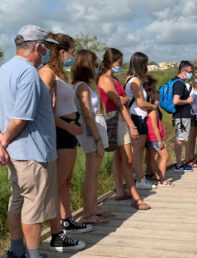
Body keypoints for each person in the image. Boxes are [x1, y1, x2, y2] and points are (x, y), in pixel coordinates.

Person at [0, 24, 71, 258]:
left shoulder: (1, 71)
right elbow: (21, 117)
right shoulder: (29, 74)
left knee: (18, 201)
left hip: (13, 153)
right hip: (33, 152)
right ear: (38, 47)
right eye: (45, 47)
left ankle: (16, 255)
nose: (46, 52)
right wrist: (5, 138)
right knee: (33, 206)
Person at [38, 33, 93, 236]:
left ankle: (67, 218)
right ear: (62, 52)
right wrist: (70, 127)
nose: (72, 56)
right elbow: (46, 109)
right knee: (58, 181)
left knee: (66, 180)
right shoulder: (47, 73)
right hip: (62, 130)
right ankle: (58, 229)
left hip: (69, 129)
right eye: (71, 52)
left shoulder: (58, 73)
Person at [97, 48, 146, 207]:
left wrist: (123, 99)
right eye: (119, 62)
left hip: (119, 116)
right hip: (118, 118)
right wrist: (132, 125)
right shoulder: (105, 79)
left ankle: (120, 190)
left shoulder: (115, 79)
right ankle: (135, 196)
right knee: (127, 158)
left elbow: (121, 100)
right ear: (111, 62)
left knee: (120, 158)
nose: (121, 65)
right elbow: (119, 103)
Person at [72, 49, 112, 223]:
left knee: (94, 174)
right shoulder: (81, 87)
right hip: (91, 133)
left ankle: (94, 206)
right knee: (91, 174)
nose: (97, 68)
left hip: (95, 130)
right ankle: (88, 213)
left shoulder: (84, 86)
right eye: (94, 64)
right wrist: (97, 139)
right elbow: (87, 114)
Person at [126, 52, 158, 194]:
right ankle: (140, 179)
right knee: (137, 152)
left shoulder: (128, 79)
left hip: (135, 117)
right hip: (137, 118)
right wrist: (153, 106)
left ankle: (138, 177)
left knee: (136, 151)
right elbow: (140, 102)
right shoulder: (136, 81)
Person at [144, 74, 173, 186]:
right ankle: (161, 178)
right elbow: (155, 127)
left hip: (150, 137)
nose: (158, 101)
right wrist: (160, 140)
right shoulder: (152, 111)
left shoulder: (148, 111)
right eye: (157, 99)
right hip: (155, 137)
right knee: (165, 156)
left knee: (154, 158)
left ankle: (157, 178)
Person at [172, 61, 195, 172]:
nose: (191, 74)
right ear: (183, 71)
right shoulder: (179, 84)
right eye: (190, 72)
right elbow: (176, 101)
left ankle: (180, 163)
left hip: (182, 116)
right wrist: (188, 100)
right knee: (180, 140)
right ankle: (179, 164)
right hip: (181, 116)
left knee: (181, 139)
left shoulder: (178, 82)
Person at [186, 67, 197, 168]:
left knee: (194, 137)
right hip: (190, 114)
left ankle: (192, 157)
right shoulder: (188, 86)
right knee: (190, 137)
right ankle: (188, 159)